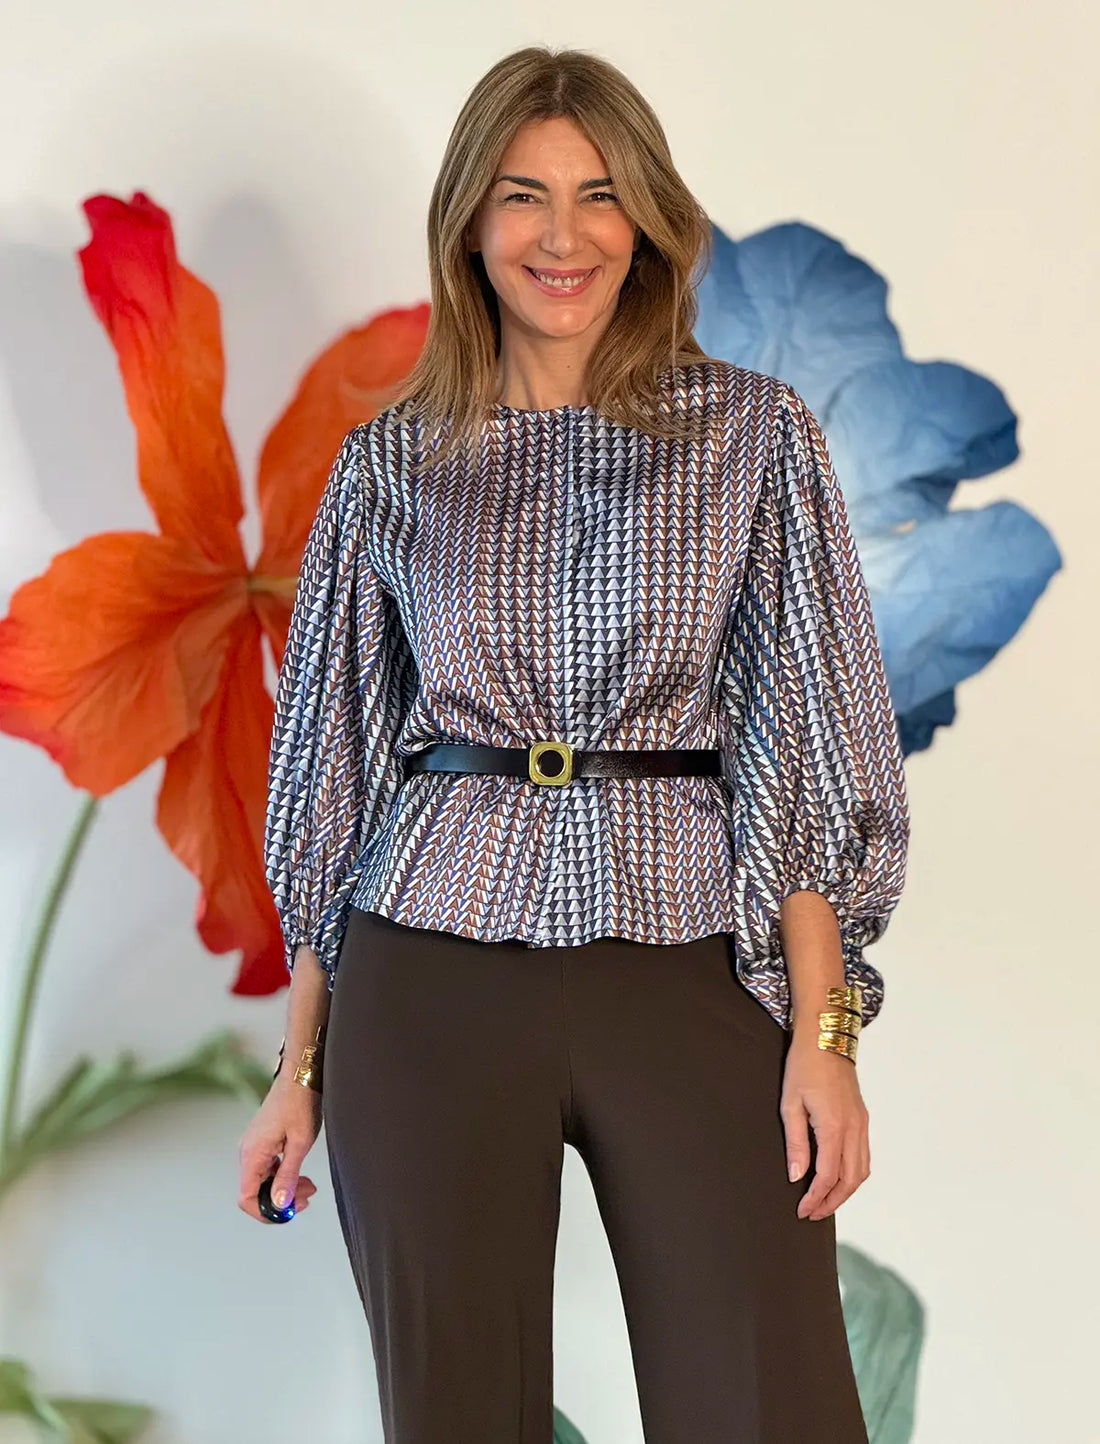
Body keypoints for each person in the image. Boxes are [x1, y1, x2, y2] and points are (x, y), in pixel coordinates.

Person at [237, 44, 910, 1444]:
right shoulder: (390, 463)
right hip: (430, 972)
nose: (564, 236)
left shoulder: (754, 437)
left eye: (600, 195)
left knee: (767, 1404)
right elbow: (330, 778)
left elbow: (810, 738)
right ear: (469, 225)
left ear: (648, 220)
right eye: (523, 195)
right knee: (455, 1415)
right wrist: (298, 1071)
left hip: (691, 958)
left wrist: (825, 1034)